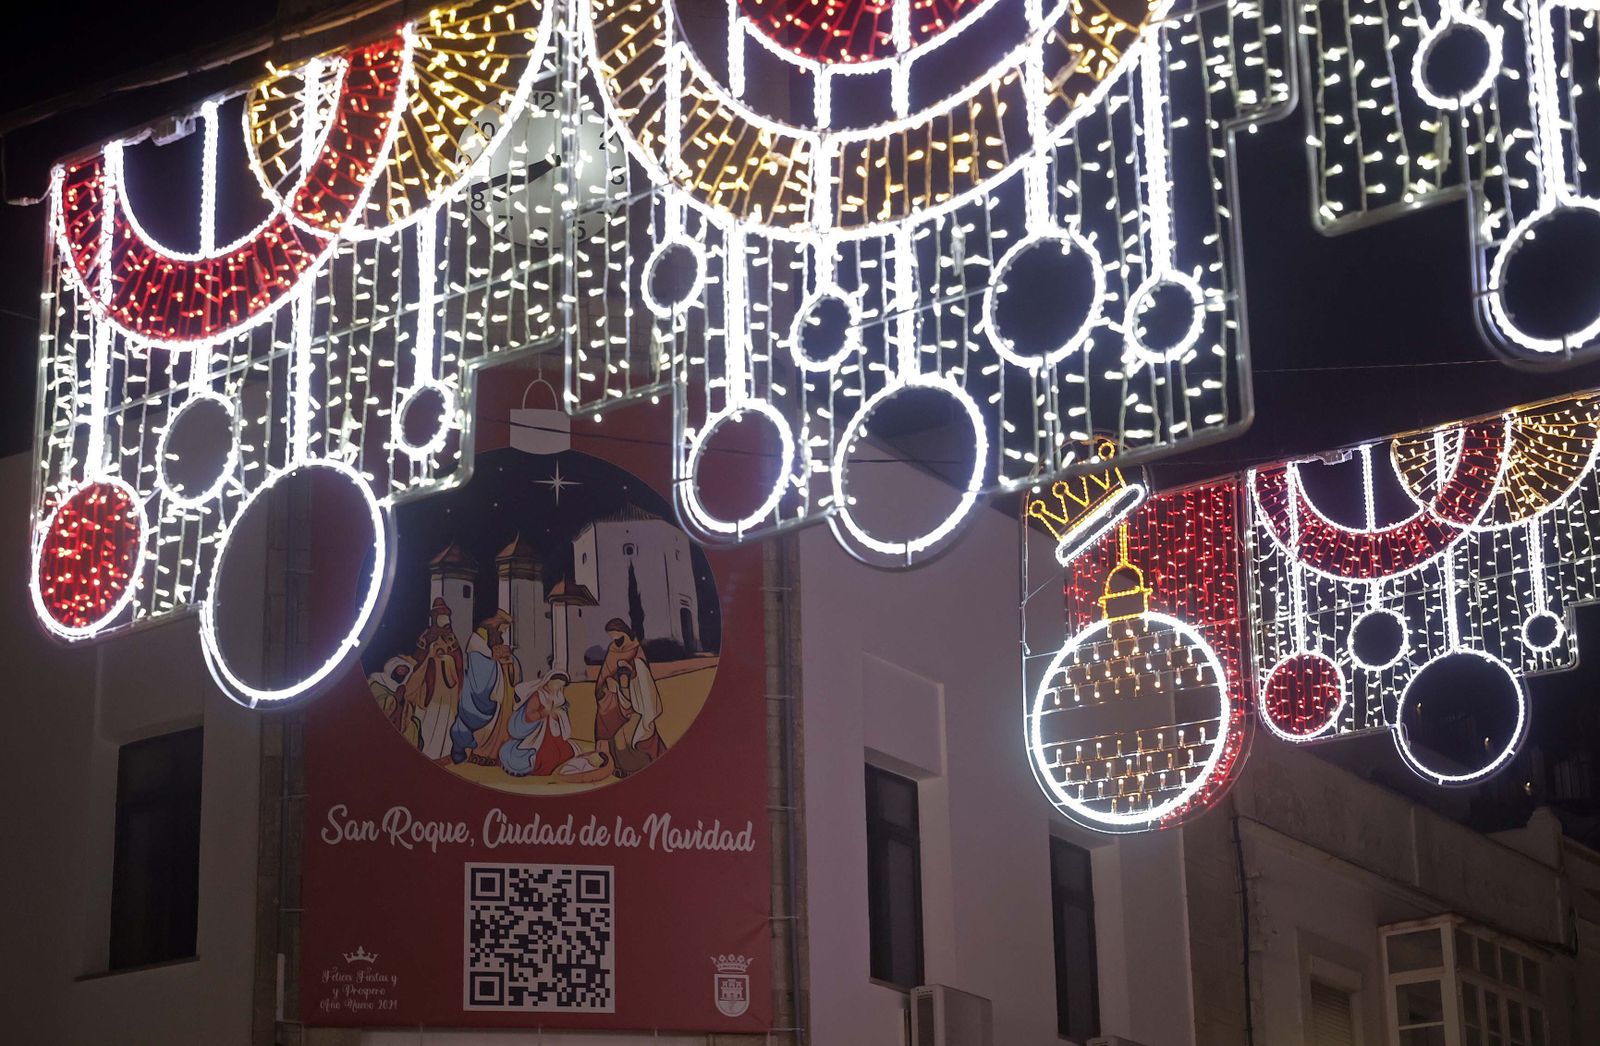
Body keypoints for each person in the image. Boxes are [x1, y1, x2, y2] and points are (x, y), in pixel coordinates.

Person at [450, 610, 521, 765]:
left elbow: (494, 655)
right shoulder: (481, 634)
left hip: (497, 681)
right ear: (497, 623)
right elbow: (477, 656)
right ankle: (468, 749)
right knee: (470, 717)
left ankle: (493, 751)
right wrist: (495, 659)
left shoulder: (496, 636)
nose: (505, 631)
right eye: (504, 627)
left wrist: (506, 659)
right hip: (482, 684)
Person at [499, 672, 578, 777]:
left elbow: (561, 708)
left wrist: (558, 713)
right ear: (548, 681)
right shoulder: (537, 696)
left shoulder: (557, 696)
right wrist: (545, 712)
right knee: (546, 757)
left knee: (564, 752)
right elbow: (529, 716)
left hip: (553, 731)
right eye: (556, 684)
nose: (557, 688)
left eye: (560, 686)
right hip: (538, 732)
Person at [414, 630, 463, 762]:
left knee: (445, 730)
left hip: (446, 702)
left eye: (442, 647)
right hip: (431, 701)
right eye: (436, 646)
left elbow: (454, 681)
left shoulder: (448, 660)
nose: (439, 648)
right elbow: (420, 678)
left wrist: (454, 704)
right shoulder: (429, 660)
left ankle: (443, 756)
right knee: (428, 729)